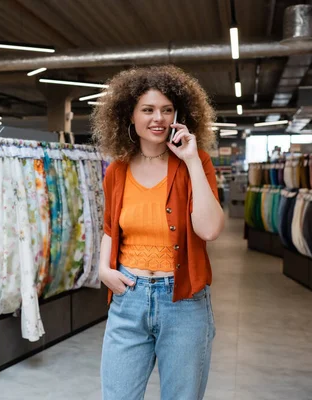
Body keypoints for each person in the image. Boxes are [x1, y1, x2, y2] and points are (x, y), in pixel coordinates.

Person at [91, 65, 225, 400]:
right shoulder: (117, 170)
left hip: (184, 303)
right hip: (128, 298)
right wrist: (103, 269)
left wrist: (192, 160)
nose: (158, 118)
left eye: (167, 110)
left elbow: (209, 230)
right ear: (130, 115)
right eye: (148, 110)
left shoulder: (198, 163)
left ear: (179, 114)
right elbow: (111, 229)